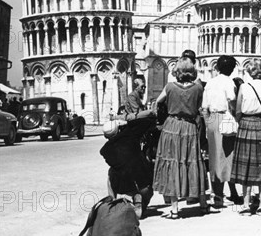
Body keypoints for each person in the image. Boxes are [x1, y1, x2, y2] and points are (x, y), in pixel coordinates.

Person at [153, 57, 212, 218]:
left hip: (171, 127)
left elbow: (158, 102)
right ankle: (203, 203)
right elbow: (201, 108)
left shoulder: (170, 86)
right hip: (190, 127)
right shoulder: (198, 88)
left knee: (173, 163)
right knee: (193, 162)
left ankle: (174, 208)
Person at [231, 59, 261, 216]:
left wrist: (242, 121)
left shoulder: (244, 87)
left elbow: (238, 111)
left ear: (250, 71)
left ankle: (246, 204)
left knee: (246, 166)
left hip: (246, 124)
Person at [201, 55, 241, 207]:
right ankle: (228, 193)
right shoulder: (229, 82)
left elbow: (204, 106)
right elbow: (231, 101)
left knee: (214, 158)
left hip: (211, 118)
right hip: (226, 118)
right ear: (231, 69)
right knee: (227, 156)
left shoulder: (210, 82)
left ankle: (217, 193)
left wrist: (208, 122)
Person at [100, 115, 157, 219]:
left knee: (111, 172)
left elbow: (117, 164)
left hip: (124, 185)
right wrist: (127, 122)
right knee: (144, 180)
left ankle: (113, 203)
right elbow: (147, 121)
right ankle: (140, 203)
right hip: (144, 182)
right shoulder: (130, 135)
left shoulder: (105, 150)